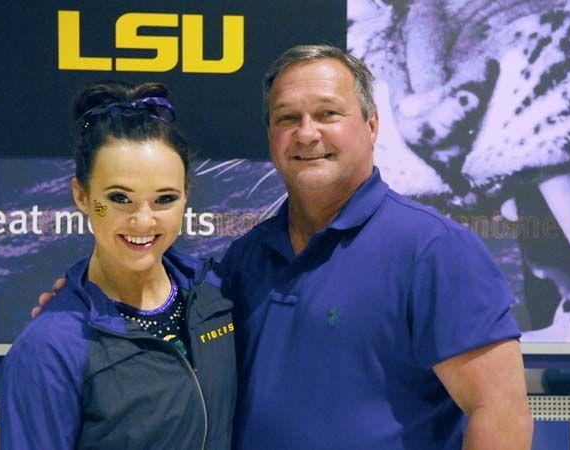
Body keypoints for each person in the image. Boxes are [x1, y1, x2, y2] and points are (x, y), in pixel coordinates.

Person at [36, 46, 533, 449]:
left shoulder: (437, 250)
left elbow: (501, 415)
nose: (307, 133)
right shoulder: (244, 258)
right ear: (271, 135)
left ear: (373, 124)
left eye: (328, 113)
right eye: (287, 117)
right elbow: (150, 294)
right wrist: (80, 298)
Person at [0, 82, 236, 450]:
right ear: (82, 195)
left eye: (164, 199)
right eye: (119, 198)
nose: (143, 221)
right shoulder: (49, 348)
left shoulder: (220, 294)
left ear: (186, 196)